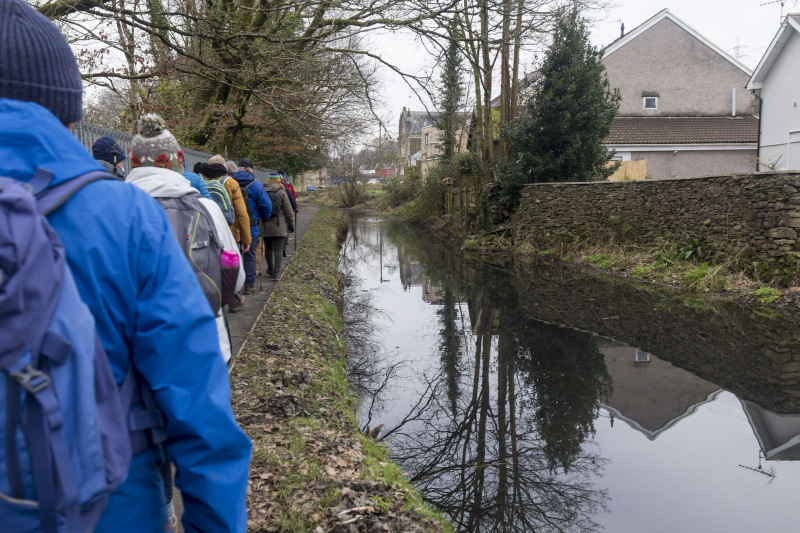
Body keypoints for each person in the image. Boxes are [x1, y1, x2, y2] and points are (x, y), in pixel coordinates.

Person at [0, 2, 251, 531]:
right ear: (68, 116)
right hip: (109, 506)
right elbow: (198, 410)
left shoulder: (133, 202)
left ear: (133, 158)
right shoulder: (126, 217)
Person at [233, 157, 272, 294]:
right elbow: (266, 206)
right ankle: (249, 285)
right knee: (249, 256)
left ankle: (234, 286)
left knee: (233, 255)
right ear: (250, 170)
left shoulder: (229, 183)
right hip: (251, 226)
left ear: (238, 169)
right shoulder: (256, 186)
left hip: (232, 226)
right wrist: (264, 217)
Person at [262, 173, 295, 281]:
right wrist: (291, 224)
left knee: (268, 248)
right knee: (278, 249)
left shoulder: (262, 191)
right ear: (278, 181)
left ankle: (270, 269)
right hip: (279, 224)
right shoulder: (281, 192)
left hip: (265, 224)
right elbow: (288, 210)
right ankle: (276, 273)